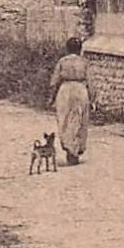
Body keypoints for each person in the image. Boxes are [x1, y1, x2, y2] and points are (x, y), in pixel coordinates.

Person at [49, 36, 91, 165]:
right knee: (80, 119)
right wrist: (93, 99)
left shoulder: (62, 62)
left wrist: (51, 98)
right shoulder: (84, 62)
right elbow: (90, 82)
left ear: (67, 49)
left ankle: (69, 147)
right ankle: (76, 148)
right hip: (80, 89)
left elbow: (54, 82)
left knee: (65, 119)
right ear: (80, 49)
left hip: (65, 90)